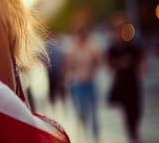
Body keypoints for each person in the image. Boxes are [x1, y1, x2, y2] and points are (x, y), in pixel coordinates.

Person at [106, 10, 147, 143]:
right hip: (122, 84)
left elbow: (141, 58)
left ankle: (134, 130)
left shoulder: (133, 44)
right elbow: (109, 64)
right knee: (127, 111)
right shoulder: (113, 47)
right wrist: (120, 64)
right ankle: (132, 134)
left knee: (137, 109)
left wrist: (141, 67)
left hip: (134, 81)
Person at [63, 9, 102, 141]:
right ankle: (84, 128)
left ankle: (96, 136)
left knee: (94, 110)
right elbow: (69, 65)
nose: (81, 35)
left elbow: (98, 61)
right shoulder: (72, 46)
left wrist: (93, 59)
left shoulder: (92, 44)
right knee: (82, 111)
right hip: (78, 83)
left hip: (90, 81)